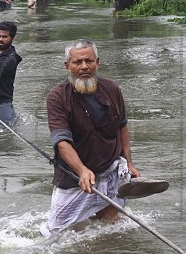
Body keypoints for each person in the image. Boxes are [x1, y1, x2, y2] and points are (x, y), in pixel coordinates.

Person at [45, 39, 144, 232]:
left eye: (89, 61)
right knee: (56, 234)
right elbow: (62, 142)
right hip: (75, 179)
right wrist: (81, 170)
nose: (84, 67)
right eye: (77, 62)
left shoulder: (112, 89)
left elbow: (122, 127)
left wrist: (129, 163)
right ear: (67, 66)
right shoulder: (57, 98)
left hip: (110, 170)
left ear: (97, 62)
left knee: (110, 228)